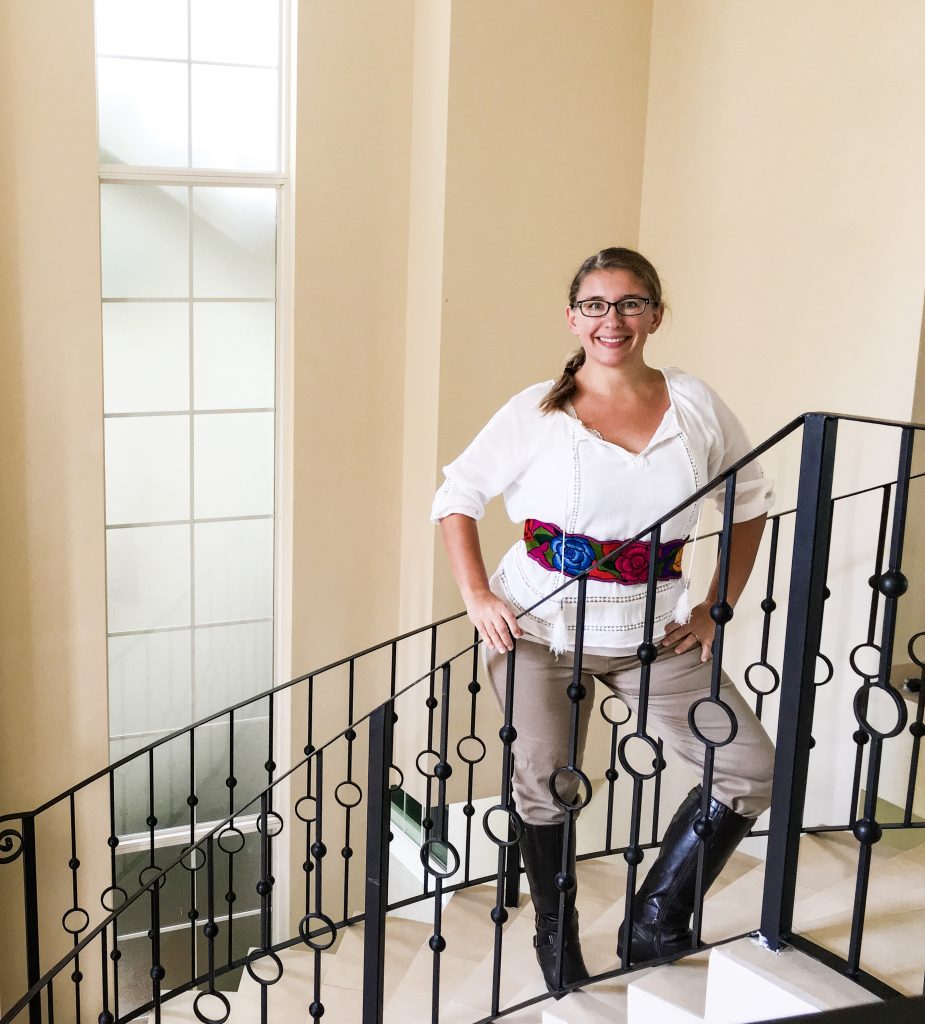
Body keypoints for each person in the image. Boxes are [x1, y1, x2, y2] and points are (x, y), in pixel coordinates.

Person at [431, 247, 776, 990]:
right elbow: (456, 496)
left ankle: (654, 914)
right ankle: (555, 936)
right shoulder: (536, 410)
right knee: (546, 786)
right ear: (572, 318)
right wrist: (477, 596)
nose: (610, 320)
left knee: (748, 768)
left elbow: (748, 501)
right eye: (594, 305)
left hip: (651, 636)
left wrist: (717, 608)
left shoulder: (694, 404)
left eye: (627, 304)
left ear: (654, 314)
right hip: (538, 632)